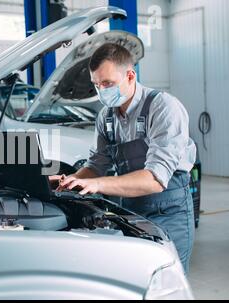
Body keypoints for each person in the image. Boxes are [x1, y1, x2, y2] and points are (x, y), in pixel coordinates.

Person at [53, 43, 196, 274]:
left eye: (107, 83)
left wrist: (97, 184)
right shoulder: (106, 116)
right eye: (97, 85)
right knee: (134, 278)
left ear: (130, 76)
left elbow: (155, 180)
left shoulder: (164, 107)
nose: (101, 90)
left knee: (166, 280)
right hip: (130, 208)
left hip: (169, 209)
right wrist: (70, 182)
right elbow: (97, 165)